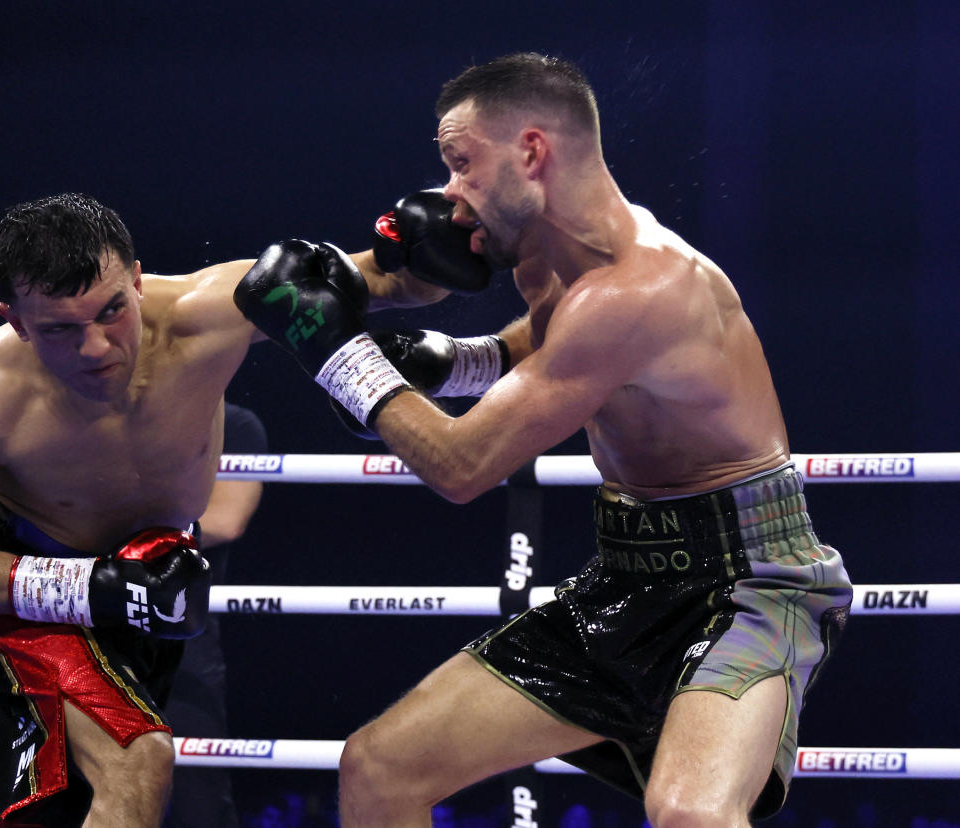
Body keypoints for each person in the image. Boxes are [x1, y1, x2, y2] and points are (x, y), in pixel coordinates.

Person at [236, 53, 853, 826]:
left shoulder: (641, 288)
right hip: (629, 575)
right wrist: (442, 362)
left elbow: (462, 467)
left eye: (461, 165)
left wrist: (333, 352)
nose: (451, 196)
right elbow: (543, 345)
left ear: (531, 151)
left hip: (749, 582)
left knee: (692, 813)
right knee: (380, 768)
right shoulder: (554, 266)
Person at [0, 192, 471, 827]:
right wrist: (91, 587)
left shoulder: (213, 309)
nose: (95, 348)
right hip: (25, 594)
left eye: (112, 310)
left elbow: (393, 281)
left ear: (138, 280)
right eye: (60, 328)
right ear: (17, 321)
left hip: (156, 582)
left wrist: (457, 244)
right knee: (136, 758)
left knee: (46, 807)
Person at [164, 401, 267, 828]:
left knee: (196, 799)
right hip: (85, 615)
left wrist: (109, 536)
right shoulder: (100, 416)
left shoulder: (234, 423)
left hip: (181, 629)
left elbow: (226, 519)